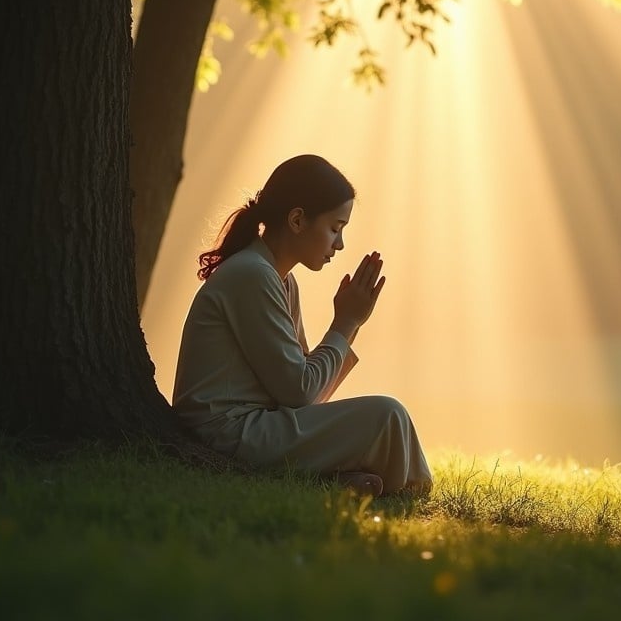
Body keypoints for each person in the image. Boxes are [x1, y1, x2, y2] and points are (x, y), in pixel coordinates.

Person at [172, 154, 432, 496]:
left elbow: (306, 395)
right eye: (335, 229)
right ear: (297, 220)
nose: (339, 244)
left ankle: (334, 481)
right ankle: (404, 491)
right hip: (226, 435)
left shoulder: (280, 279)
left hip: (258, 426)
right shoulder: (252, 274)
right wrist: (345, 322)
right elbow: (300, 391)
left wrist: (350, 325)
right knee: (387, 415)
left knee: (385, 415)